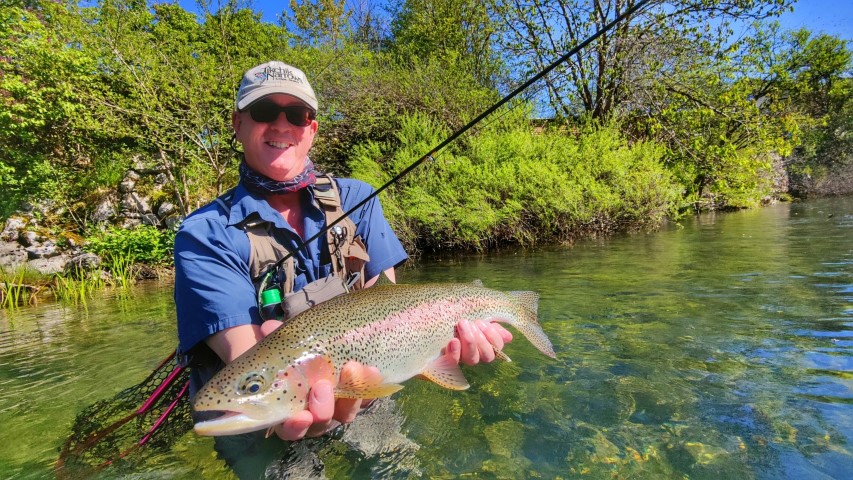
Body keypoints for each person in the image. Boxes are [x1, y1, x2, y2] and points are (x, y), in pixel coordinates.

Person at [174, 61, 512, 452]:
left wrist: (430, 351)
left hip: (363, 391)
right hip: (265, 425)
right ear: (238, 124)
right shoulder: (204, 233)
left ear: (311, 129)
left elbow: (386, 307)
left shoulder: (357, 199)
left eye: (297, 115)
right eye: (265, 111)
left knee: (396, 466)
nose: (282, 125)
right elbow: (246, 358)